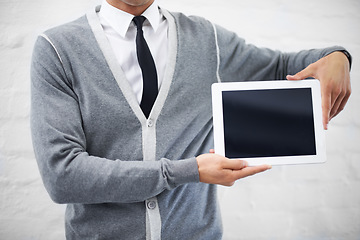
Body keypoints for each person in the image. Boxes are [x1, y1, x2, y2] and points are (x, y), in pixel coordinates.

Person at [30, 0, 351, 239]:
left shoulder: (205, 39)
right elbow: (63, 176)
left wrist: (337, 57)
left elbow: (282, 67)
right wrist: (189, 171)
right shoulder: (59, 49)